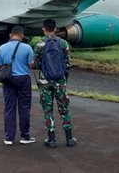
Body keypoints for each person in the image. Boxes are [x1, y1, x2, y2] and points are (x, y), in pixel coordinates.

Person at [33, 19, 77, 148]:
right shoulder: (63, 43)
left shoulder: (40, 44)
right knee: (64, 109)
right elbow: (68, 63)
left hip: (45, 81)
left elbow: (34, 64)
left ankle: (51, 140)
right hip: (60, 81)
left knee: (48, 110)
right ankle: (69, 139)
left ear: (43, 29)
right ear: (55, 29)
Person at [0, 26, 36, 146]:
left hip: (8, 80)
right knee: (24, 108)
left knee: (9, 108)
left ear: (10, 35)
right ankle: (25, 136)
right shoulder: (27, 47)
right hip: (23, 78)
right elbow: (31, 65)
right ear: (22, 35)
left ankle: (9, 137)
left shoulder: (2, 48)